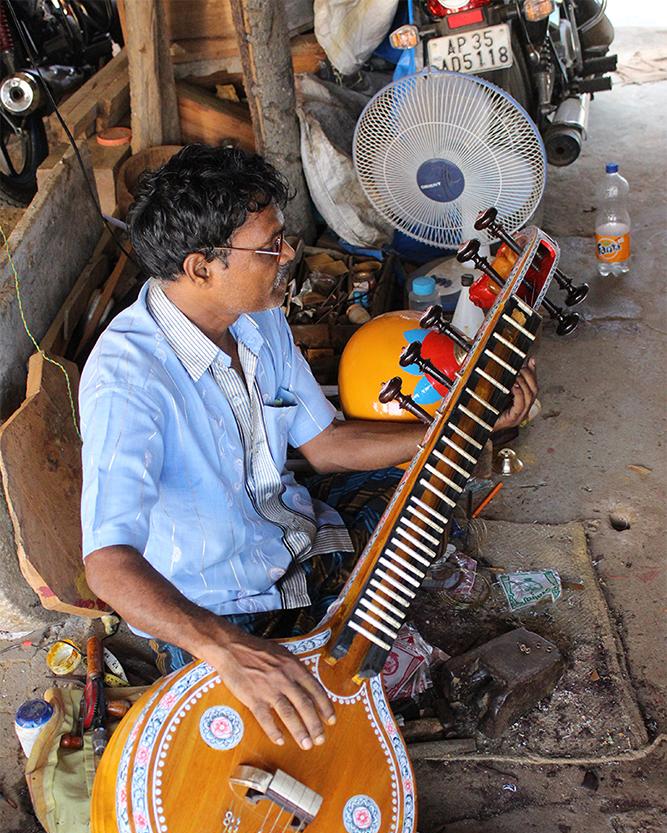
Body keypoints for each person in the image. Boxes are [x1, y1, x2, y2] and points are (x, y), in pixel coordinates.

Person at [80, 143, 538, 752]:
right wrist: (229, 649)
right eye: (270, 246)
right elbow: (107, 563)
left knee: (430, 483)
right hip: (222, 604)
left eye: (283, 238)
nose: (289, 255)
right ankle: (342, 631)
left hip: (296, 534)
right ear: (200, 268)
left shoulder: (256, 314)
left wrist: (459, 427)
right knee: (310, 727)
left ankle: (363, 605)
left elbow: (324, 446)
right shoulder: (128, 379)